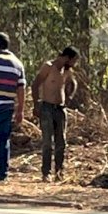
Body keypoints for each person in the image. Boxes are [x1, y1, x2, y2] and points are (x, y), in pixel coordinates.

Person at [31, 46, 80, 182]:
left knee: (61, 142)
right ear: (67, 58)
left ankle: (59, 172)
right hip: (47, 107)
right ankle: (46, 173)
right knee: (47, 142)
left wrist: (69, 95)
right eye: (73, 60)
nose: (74, 64)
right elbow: (35, 85)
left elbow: (73, 83)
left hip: (60, 109)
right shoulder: (48, 66)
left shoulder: (67, 71)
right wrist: (36, 104)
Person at [0, 32, 26, 183]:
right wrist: (20, 110)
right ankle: (3, 176)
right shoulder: (17, 63)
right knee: (3, 142)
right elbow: (21, 89)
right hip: (6, 109)